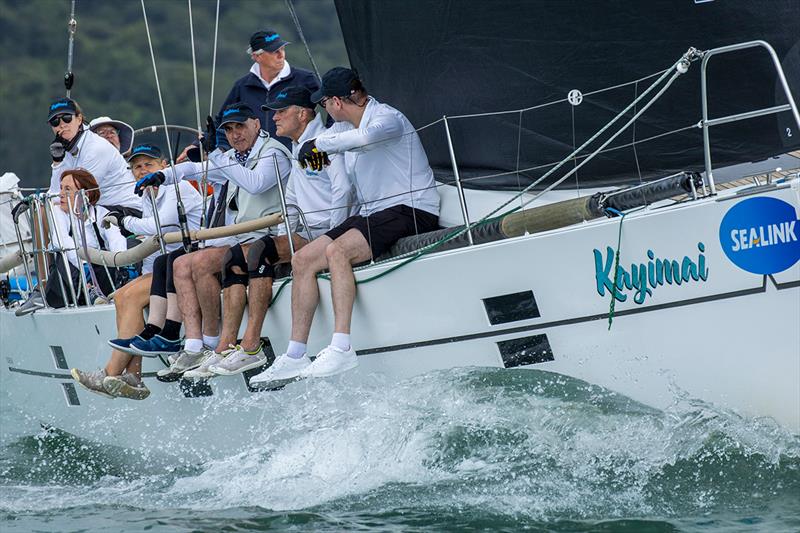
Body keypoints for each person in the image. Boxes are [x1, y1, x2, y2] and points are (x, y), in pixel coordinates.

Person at [252, 67, 441, 385]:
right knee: (303, 259)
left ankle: (341, 346)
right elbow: (314, 151)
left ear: (336, 101)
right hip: (375, 213)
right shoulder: (338, 128)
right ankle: (295, 354)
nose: (323, 109)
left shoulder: (386, 118)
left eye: (323, 103)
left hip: (412, 209)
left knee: (337, 251)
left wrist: (322, 147)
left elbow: (365, 137)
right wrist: (312, 149)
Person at [184, 87, 354, 379]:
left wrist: (335, 231)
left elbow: (343, 189)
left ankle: (251, 346)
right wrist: (284, 230)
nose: (275, 117)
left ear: (302, 113)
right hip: (306, 229)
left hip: (325, 230)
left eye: (281, 111)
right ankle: (227, 346)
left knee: (260, 251)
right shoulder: (299, 146)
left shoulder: (317, 145)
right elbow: (292, 197)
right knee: (235, 258)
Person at [136, 102, 292, 379]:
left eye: (240, 126)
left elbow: (255, 183)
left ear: (257, 123)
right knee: (181, 265)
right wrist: (163, 175)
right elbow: (193, 171)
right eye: (229, 130)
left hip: (269, 235)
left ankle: (215, 343)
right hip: (243, 238)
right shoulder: (236, 158)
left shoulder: (273, 154)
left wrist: (220, 154)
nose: (235, 134)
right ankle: (198, 345)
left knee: (202, 262)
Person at [69, 144, 203, 400]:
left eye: (148, 165)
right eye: (137, 167)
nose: (142, 171)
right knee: (120, 295)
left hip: (187, 261)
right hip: (165, 265)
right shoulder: (148, 195)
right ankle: (133, 377)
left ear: (164, 166)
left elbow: (157, 226)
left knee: (130, 297)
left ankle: (111, 372)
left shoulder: (178, 187)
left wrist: (122, 221)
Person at [177, 29, 318, 161]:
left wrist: (326, 140)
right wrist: (198, 145)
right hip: (257, 165)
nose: (281, 55)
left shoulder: (306, 79)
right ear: (256, 56)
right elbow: (221, 121)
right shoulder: (242, 86)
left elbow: (331, 103)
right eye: (274, 51)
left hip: (300, 158)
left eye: (281, 49)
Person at [42, 168, 128, 309]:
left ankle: (123, 285)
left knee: (128, 244)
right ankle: (89, 290)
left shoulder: (101, 213)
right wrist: (85, 267)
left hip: (101, 273)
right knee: (63, 254)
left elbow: (115, 239)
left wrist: (122, 263)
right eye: (61, 188)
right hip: (69, 281)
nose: (61, 194)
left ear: (85, 194)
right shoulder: (58, 212)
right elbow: (61, 240)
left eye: (67, 189)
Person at [46, 98, 140, 211]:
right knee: (46, 208)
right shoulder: (65, 147)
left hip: (126, 211)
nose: (61, 125)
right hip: (100, 212)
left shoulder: (96, 148)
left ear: (79, 119)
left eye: (67, 118)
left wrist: (50, 203)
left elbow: (76, 194)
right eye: (55, 122)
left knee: (56, 209)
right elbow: (55, 193)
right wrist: (57, 162)